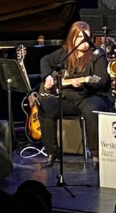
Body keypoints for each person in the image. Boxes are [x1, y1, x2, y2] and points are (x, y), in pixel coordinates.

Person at [39, 21, 111, 167]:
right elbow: (45, 60)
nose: (84, 41)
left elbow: (102, 81)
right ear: (72, 38)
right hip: (69, 99)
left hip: (91, 96)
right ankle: (52, 152)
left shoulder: (97, 54)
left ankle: (96, 153)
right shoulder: (66, 53)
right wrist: (47, 76)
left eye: (86, 37)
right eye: (79, 37)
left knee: (90, 110)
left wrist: (85, 82)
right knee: (45, 107)